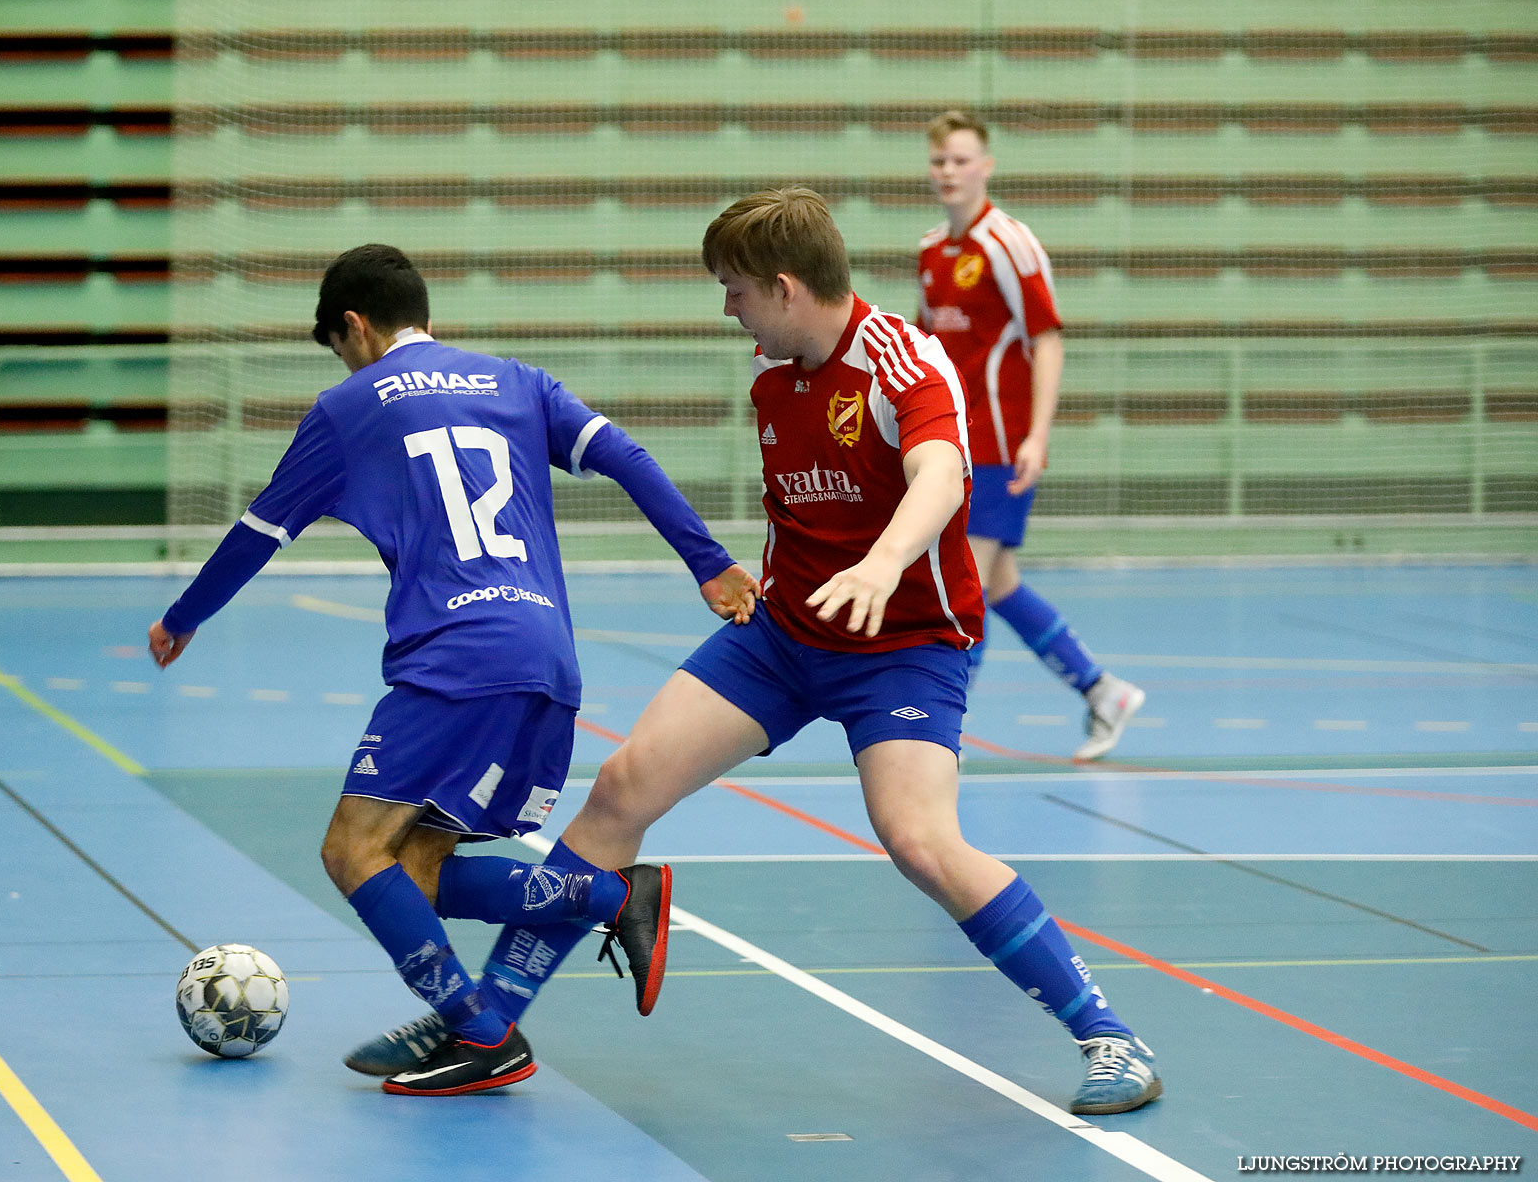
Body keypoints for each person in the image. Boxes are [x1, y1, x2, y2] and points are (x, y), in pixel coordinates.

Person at [351, 188, 1164, 1116]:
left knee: (922, 841)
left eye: (734, 289)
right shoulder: (774, 380)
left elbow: (939, 475)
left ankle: (1109, 1036)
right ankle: (486, 1027)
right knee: (621, 789)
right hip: (782, 639)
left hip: (901, 648)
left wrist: (883, 565)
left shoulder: (902, 362)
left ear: (784, 287)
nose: (726, 308)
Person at [149, 244, 758, 1096]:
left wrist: (183, 619)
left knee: (351, 851)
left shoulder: (347, 407)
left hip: (454, 662)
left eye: (340, 344)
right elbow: (626, 456)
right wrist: (710, 562)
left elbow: (260, 533)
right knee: (420, 869)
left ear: (354, 327)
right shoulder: (516, 381)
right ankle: (606, 911)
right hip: (545, 660)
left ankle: (492, 1022)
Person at [916, 110, 1144, 761]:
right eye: (939, 161)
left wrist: (1037, 436)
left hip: (999, 444)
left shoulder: (1009, 243)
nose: (949, 172)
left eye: (961, 160)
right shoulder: (933, 250)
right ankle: (1104, 693)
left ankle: (941, 736)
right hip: (953, 445)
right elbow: (926, 349)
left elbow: (1046, 339)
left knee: (969, 588)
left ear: (985, 166)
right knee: (1000, 583)